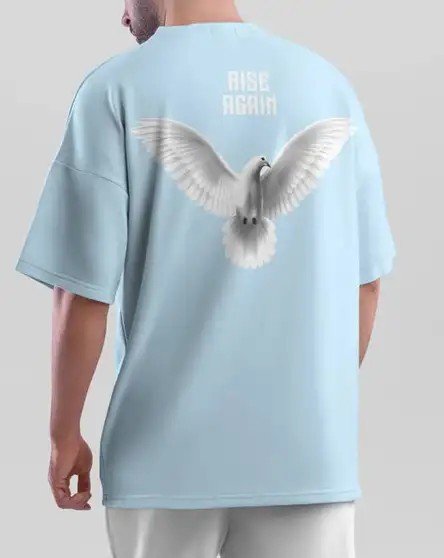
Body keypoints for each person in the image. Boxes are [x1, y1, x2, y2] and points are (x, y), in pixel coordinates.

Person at [16, 0, 395, 556]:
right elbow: (366, 284)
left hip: (160, 460)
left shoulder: (114, 90)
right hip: (306, 457)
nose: (123, 15)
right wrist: (312, 403)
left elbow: (80, 291)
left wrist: (63, 433)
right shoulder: (328, 88)